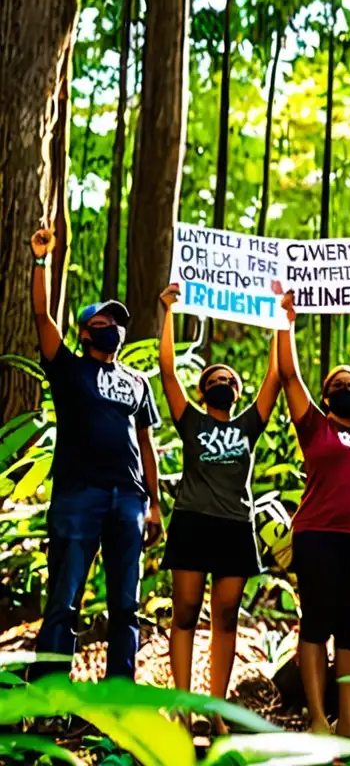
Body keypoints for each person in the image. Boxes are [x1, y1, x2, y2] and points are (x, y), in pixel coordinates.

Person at [28, 229, 162, 682]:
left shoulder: (138, 381)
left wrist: (155, 504)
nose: (113, 328)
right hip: (77, 496)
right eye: (103, 322)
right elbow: (42, 315)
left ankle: (119, 703)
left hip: (128, 500)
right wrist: (41, 262)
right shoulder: (67, 368)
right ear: (86, 331)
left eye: (117, 322)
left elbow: (146, 443)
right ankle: (48, 702)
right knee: (64, 600)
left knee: (127, 606)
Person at [157, 283, 281, 735]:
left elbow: (275, 378)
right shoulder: (190, 418)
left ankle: (216, 710)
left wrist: (278, 323)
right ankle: (183, 707)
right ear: (202, 388)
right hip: (192, 523)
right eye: (215, 378)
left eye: (229, 379)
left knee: (226, 616)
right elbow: (167, 371)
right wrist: (168, 312)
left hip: (234, 527)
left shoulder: (250, 421)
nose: (223, 382)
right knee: (186, 612)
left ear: (237, 389)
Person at [277, 286, 350, 739]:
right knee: (316, 622)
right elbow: (288, 376)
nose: (348, 389)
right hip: (317, 534)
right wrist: (286, 322)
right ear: (325, 397)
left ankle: (348, 719)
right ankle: (318, 718)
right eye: (338, 386)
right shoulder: (313, 425)